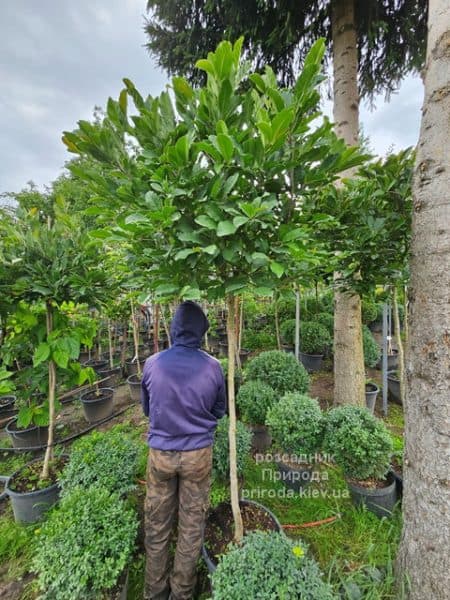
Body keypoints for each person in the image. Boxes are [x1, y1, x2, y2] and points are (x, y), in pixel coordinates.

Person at [141, 301, 226, 600]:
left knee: (157, 523)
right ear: (202, 331)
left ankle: (154, 592)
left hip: (161, 455)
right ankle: (182, 593)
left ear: (174, 329)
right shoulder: (213, 366)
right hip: (197, 456)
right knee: (192, 524)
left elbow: (147, 409)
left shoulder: (152, 363)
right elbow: (219, 411)